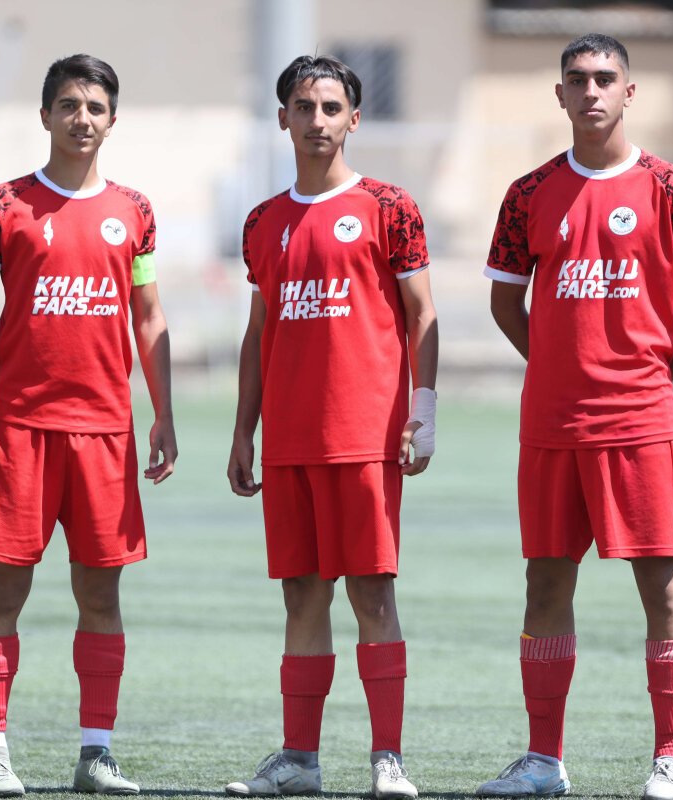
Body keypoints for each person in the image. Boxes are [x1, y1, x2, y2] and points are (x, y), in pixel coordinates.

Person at [476, 34, 673, 800]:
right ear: (559, 94)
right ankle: (543, 761)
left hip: (640, 421)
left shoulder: (672, 187)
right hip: (552, 425)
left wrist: (655, 371)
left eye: (605, 78)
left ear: (629, 91)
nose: (591, 91)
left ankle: (670, 761)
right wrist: (557, 366)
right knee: (544, 585)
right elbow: (504, 300)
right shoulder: (528, 193)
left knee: (662, 586)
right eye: (577, 79)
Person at [0, 53, 177, 797]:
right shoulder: (4, 205)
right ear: (45, 114)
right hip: (22, 428)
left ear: (113, 121)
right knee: (4, 591)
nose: (83, 119)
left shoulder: (134, 211)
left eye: (96, 108)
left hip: (106, 432)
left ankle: (96, 753)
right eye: (70, 105)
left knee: (102, 598)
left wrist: (163, 414)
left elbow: (149, 317)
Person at [224, 55, 439, 800]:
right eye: (303, 106)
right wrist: (244, 430)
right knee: (301, 597)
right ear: (283, 117)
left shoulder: (389, 206)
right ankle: (299, 760)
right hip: (290, 441)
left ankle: (389, 760)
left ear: (354, 118)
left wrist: (423, 410)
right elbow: (259, 332)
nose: (317, 120)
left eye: (330, 107)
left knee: (372, 597)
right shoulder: (262, 221)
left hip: (365, 439)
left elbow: (422, 314)